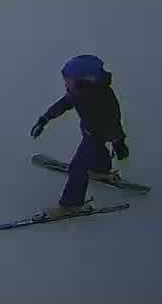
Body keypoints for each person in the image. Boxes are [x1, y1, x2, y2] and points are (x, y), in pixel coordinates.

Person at [31, 55, 129, 219]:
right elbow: (62, 105)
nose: (65, 83)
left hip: (99, 134)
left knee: (77, 168)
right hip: (89, 132)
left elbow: (113, 122)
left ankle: (71, 204)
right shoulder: (78, 92)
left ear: (86, 79)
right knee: (97, 150)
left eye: (68, 79)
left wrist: (118, 142)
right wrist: (45, 119)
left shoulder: (104, 98)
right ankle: (100, 171)